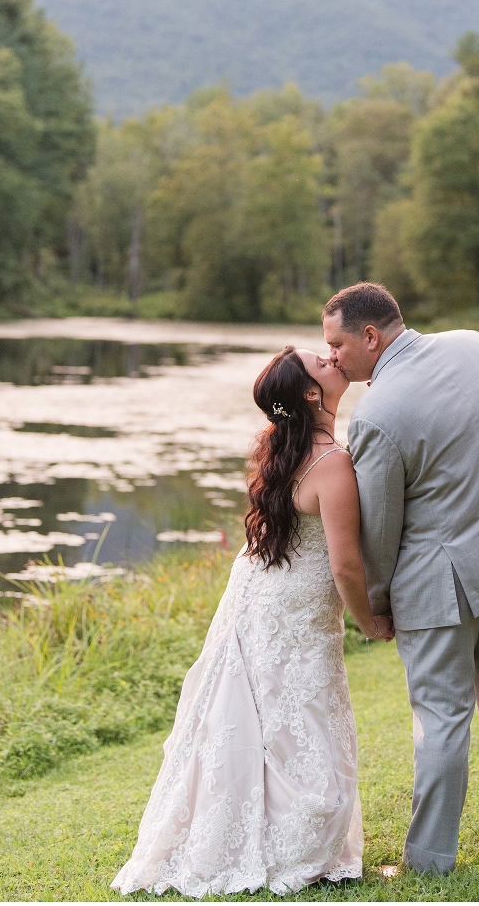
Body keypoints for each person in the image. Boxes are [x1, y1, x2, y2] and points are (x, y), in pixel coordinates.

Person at [111, 345, 393, 899]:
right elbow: (345, 561)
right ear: (311, 394)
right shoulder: (330, 461)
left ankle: (262, 832)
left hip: (259, 592)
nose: (334, 360)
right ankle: (292, 842)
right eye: (323, 362)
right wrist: (369, 620)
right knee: (299, 713)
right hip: (294, 605)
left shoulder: (278, 450)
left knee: (267, 713)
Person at [322, 282, 479, 875]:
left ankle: (427, 862)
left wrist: (375, 609)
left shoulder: (376, 414)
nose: (333, 358)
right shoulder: (477, 345)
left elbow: (379, 532)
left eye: (337, 344)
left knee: (440, 718)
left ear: (370, 336)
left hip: (439, 585)